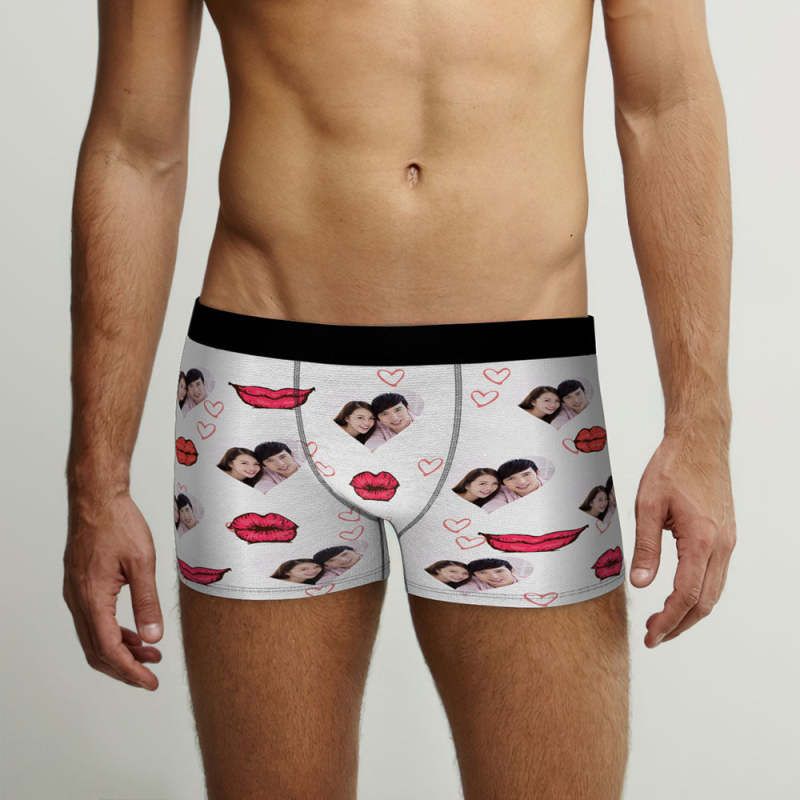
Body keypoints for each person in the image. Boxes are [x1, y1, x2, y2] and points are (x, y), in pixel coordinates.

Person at [62, 2, 737, 798]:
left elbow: (667, 105)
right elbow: (134, 149)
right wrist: (97, 485)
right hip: (261, 386)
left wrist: (701, 428)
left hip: (525, 399)